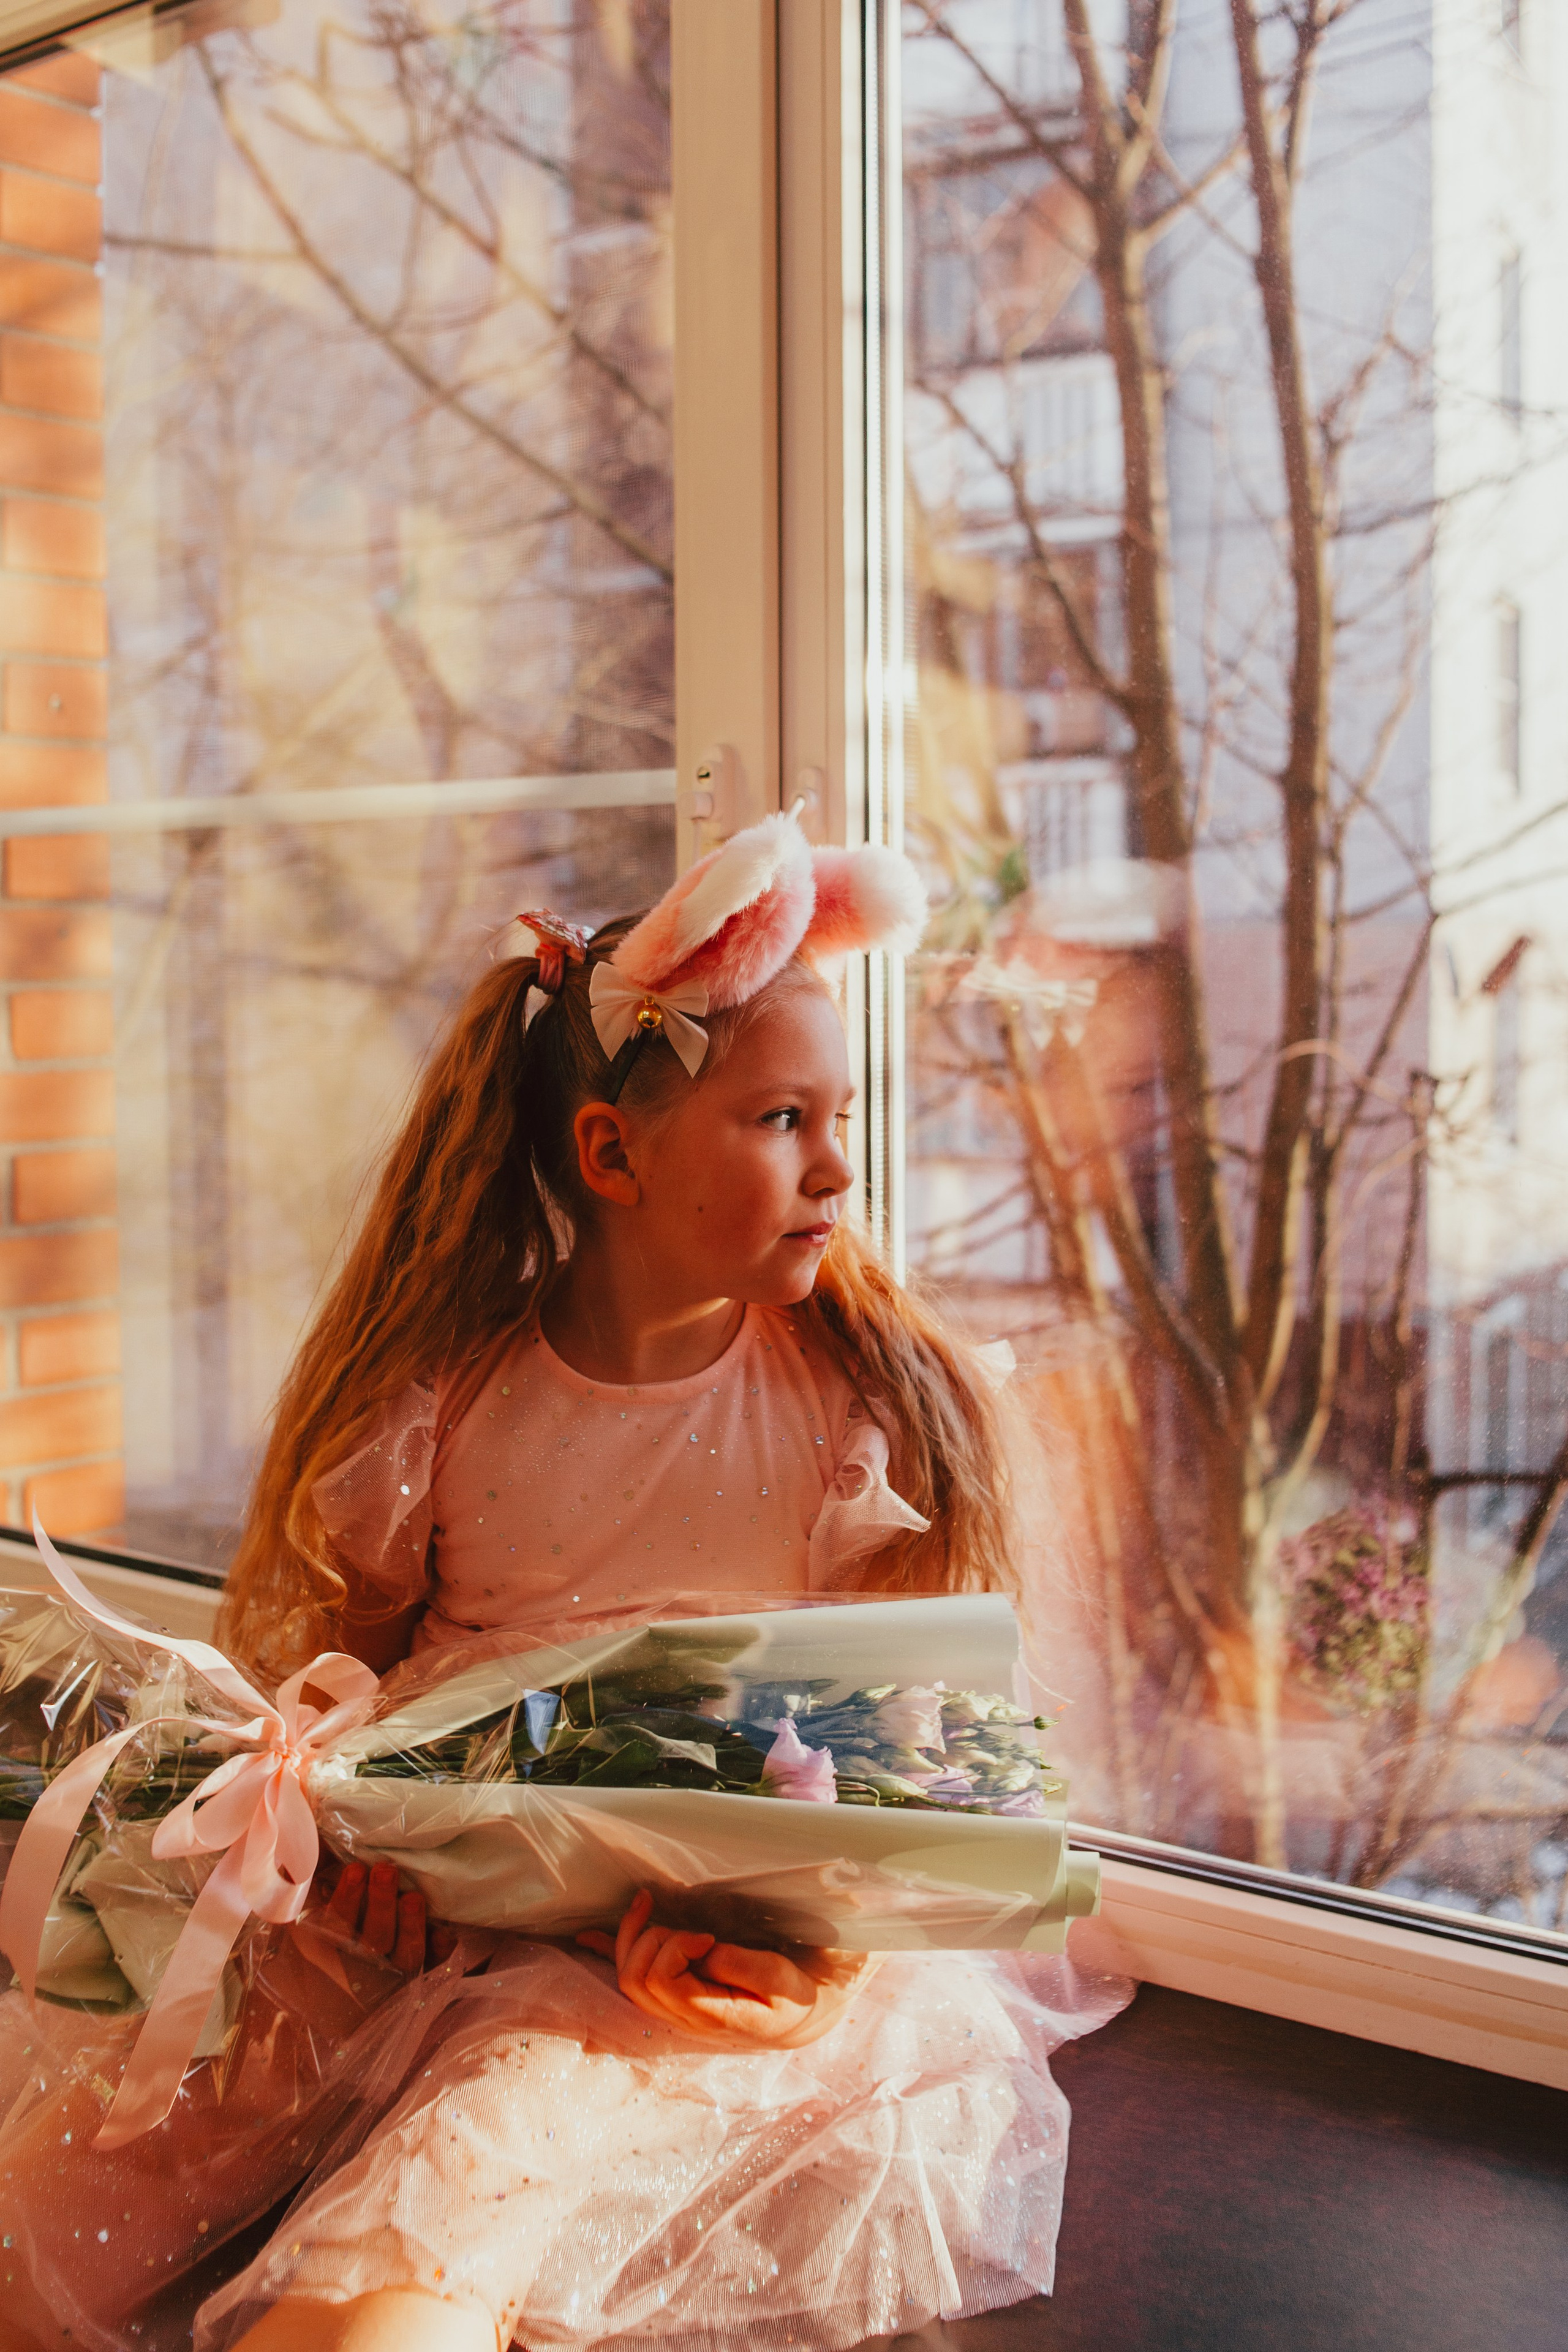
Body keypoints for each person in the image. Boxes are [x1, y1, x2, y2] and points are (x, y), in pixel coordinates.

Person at [0, 815, 1128, 2352]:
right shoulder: (440, 1406)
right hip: (417, 1939)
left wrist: (799, 1970)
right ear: (611, 1156)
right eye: (780, 1119)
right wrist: (351, 1863)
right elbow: (341, 1700)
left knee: (414, 2250)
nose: (837, 1166)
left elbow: (906, 1779)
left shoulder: (860, 1419)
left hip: (643, 1989)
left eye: (837, 1115)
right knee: (74, 2177)